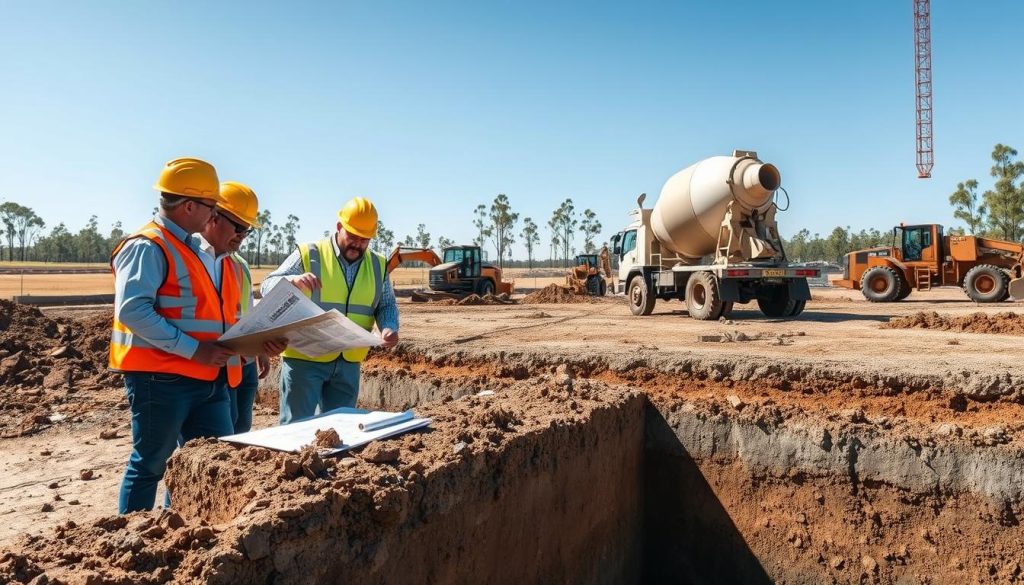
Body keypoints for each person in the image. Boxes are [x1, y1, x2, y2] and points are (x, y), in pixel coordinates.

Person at [110, 157, 242, 513]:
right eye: (211, 207)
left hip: (207, 378)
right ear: (188, 206)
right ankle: (134, 544)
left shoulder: (192, 248)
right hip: (160, 379)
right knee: (151, 464)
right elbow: (133, 311)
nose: (213, 216)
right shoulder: (147, 245)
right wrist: (194, 350)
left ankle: (179, 528)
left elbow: (208, 312)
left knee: (212, 463)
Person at [261, 197, 399, 424]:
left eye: (364, 240)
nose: (357, 244)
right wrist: (291, 281)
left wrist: (389, 327)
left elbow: (386, 304)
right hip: (304, 358)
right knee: (295, 430)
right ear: (338, 227)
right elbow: (267, 286)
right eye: (352, 236)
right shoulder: (310, 253)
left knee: (342, 431)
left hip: (348, 361)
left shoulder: (378, 264)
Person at [198, 181, 282, 433]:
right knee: (218, 437)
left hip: (243, 364)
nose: (242, 236)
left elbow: (246, 312)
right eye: (238, 227)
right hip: (212, 364)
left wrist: (261, 350)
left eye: (247, 231)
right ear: (213, 216)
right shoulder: (191, 258)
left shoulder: (239, 265)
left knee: (241, 431)